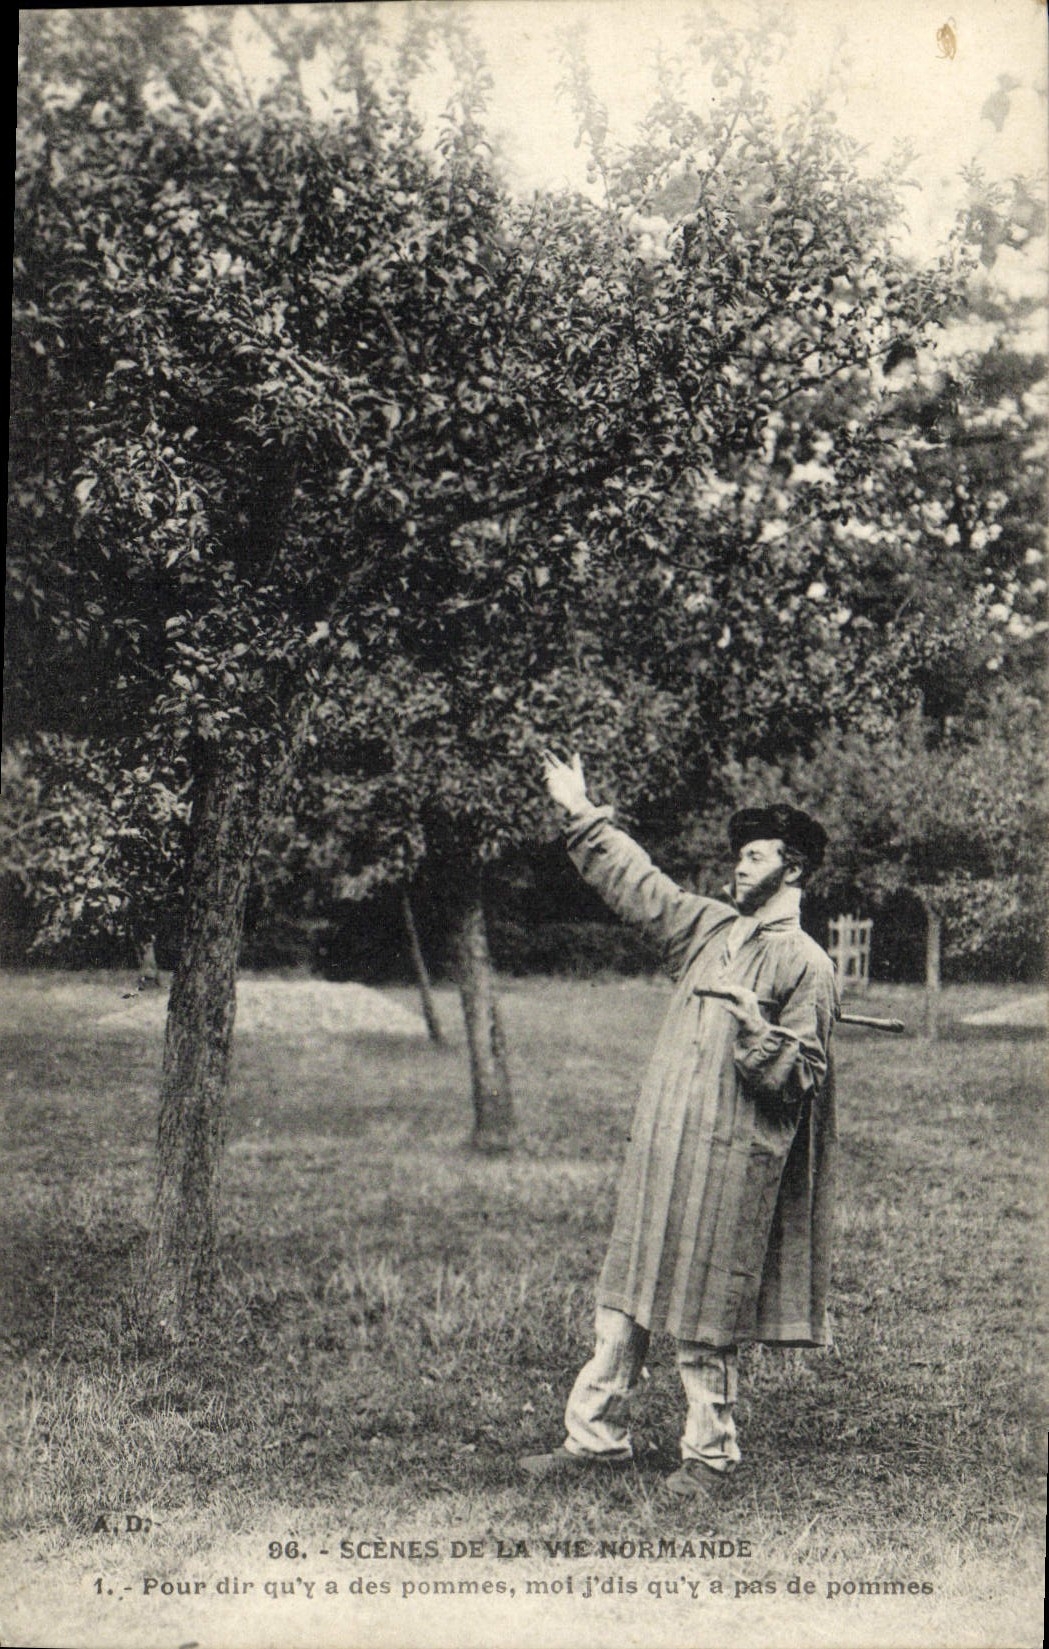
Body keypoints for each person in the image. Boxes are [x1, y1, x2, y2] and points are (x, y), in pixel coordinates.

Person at [520, 752, 839, 1505]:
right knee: (624, 1300)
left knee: (704, 1314)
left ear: (792, 870)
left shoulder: (808, 965)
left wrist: (756, 1027)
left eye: (755, 855)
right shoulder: (708, 928)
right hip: (665, 1151)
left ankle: (709, 1455)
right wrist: (581, 809)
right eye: (739, 853)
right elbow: (643, 888)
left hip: (733, 1162)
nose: (738, 865)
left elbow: (800, 1078)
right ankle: (594, 1439)